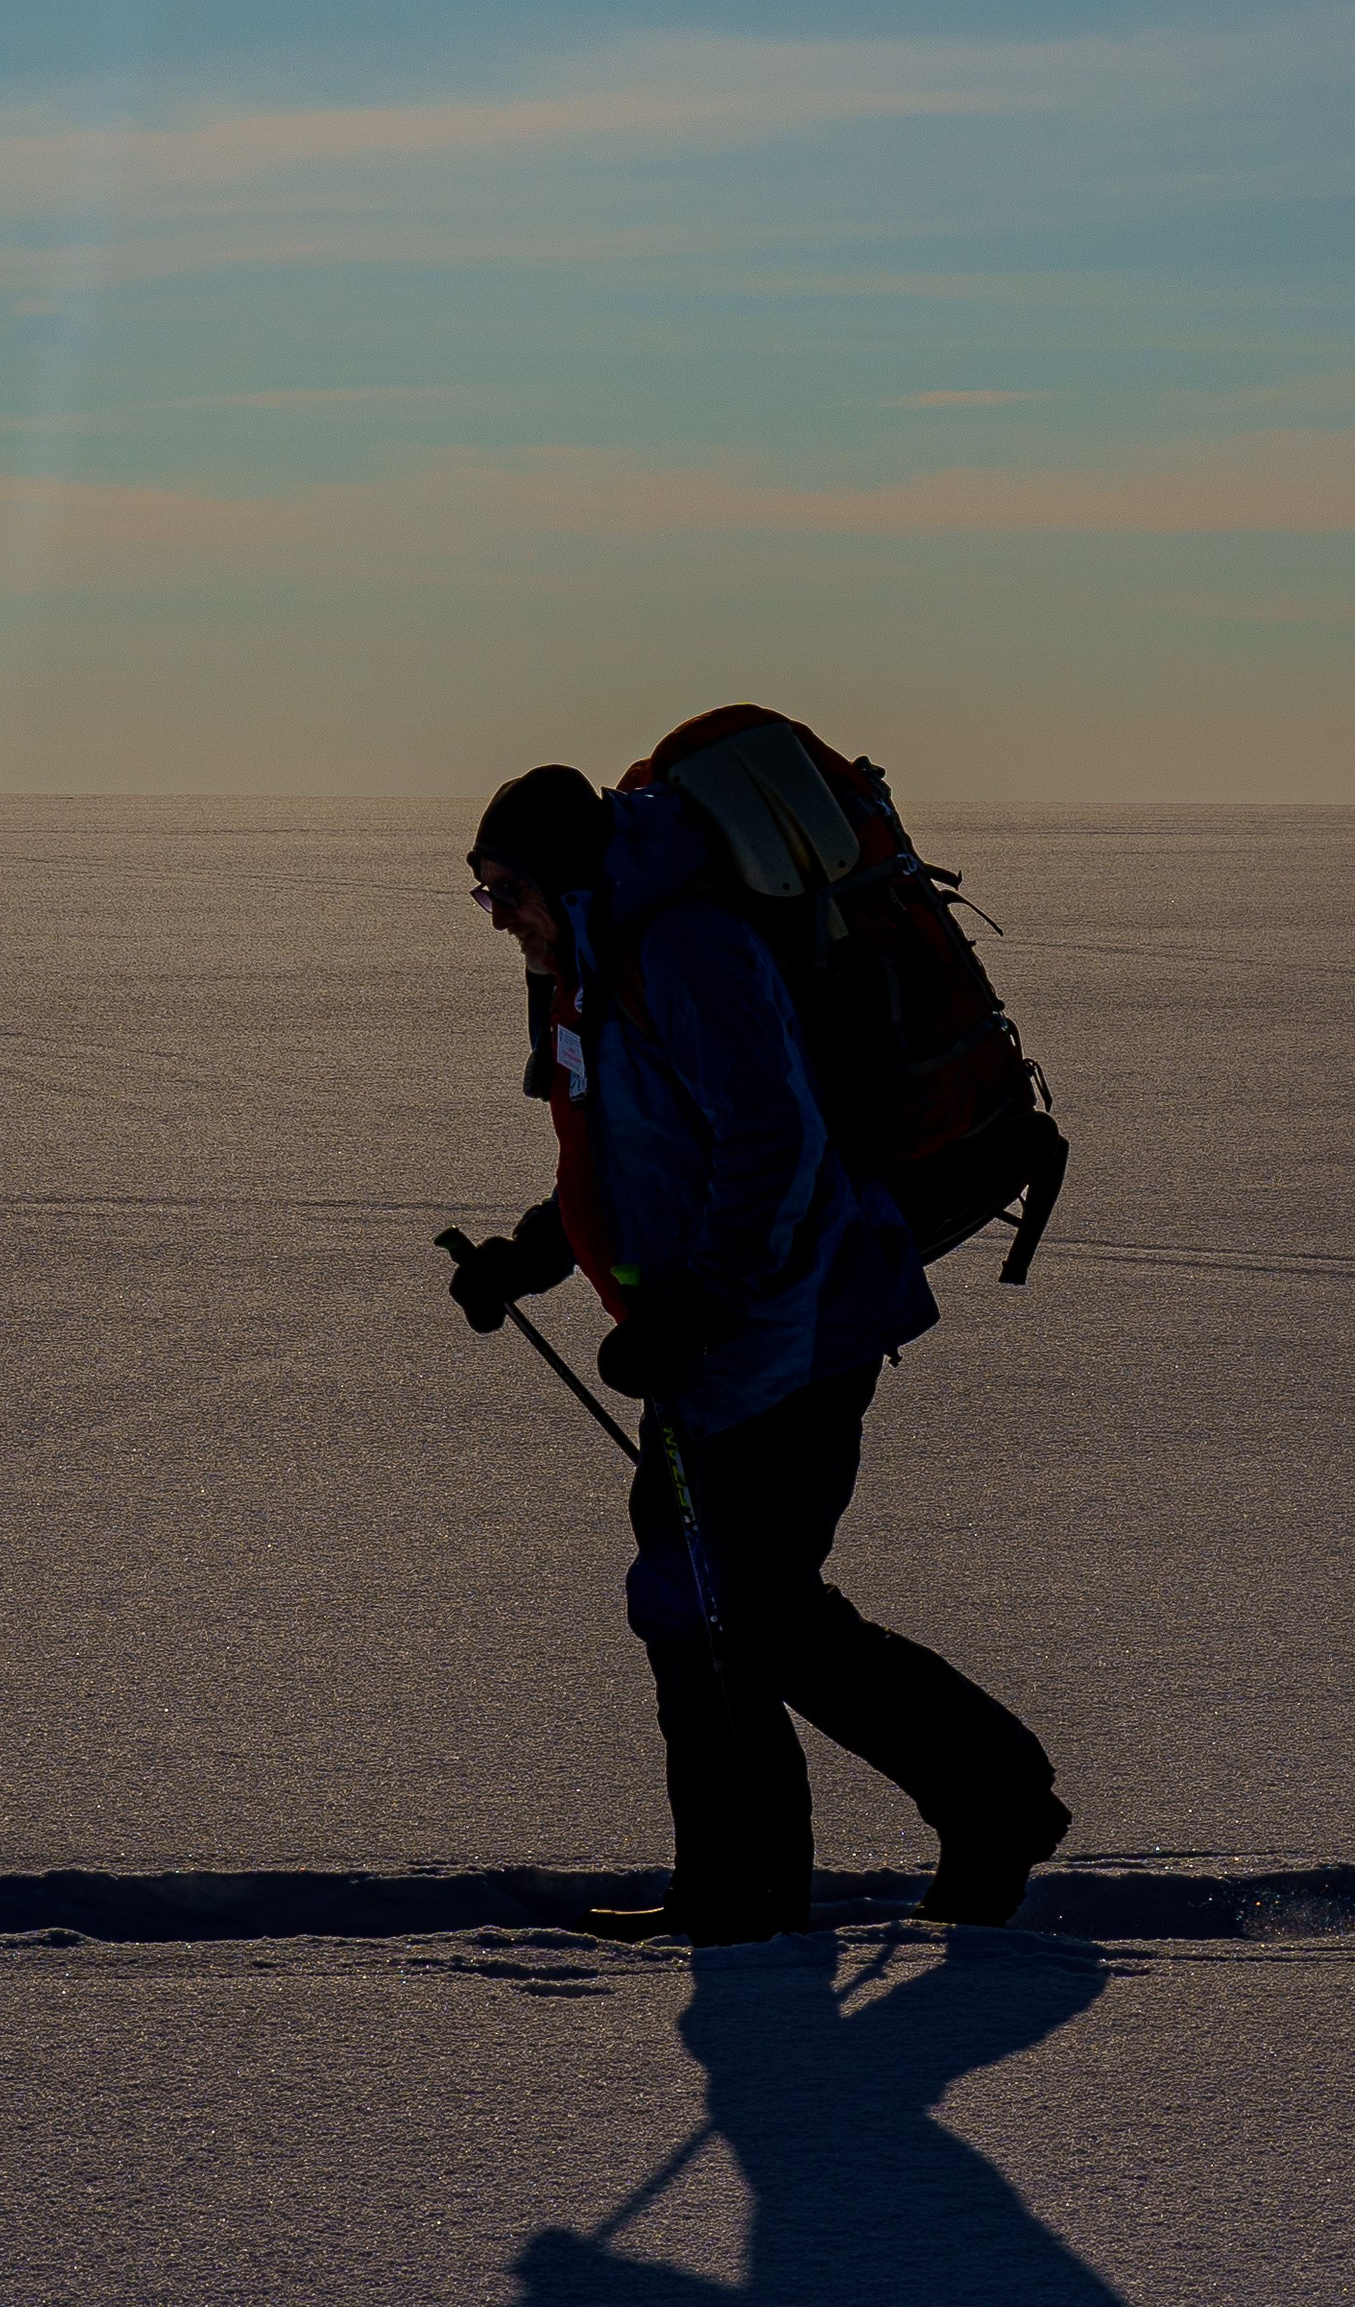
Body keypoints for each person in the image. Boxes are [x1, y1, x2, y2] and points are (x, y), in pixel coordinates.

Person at [439, 761, 1069, 1945]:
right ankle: (738, 1894)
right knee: (695, 1610)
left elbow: (773, 1142)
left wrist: (699, 1306)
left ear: (565, 878)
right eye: (480, 894)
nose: (495, 918)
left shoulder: (685, 953)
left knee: (757, 1612)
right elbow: (632, 1160)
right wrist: (529, 1257)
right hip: (714, 1346)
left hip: (794, 1330)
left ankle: (989, 1800)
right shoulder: (590, 967)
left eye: (503, 888)